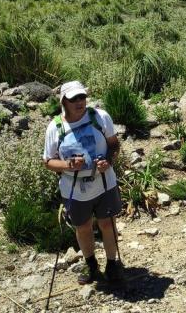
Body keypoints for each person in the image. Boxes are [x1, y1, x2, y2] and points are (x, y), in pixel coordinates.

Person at [42, 81, 124, 285]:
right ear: (64, 102)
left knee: (108, 222)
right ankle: (91, 265)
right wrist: (69, 165)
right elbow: (48, 161)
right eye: (74, 99)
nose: (80, 102)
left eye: (82, 97)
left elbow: (114, 145)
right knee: (83, 226)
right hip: (74, 188)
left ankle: (112, 264)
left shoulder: (100, 117)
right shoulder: (55, 127)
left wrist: (109, 161)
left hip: (104, 181)